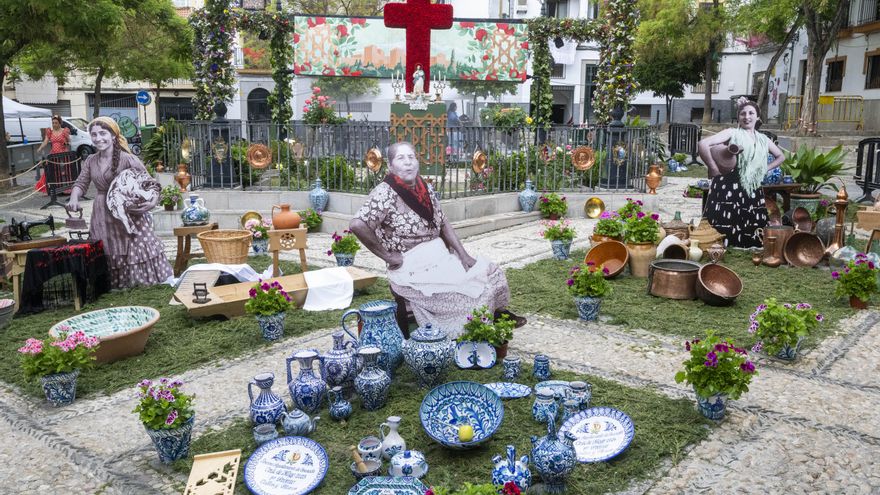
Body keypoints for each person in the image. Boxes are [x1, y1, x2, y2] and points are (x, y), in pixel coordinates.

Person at [349, 141, 522, 336]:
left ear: (417, 162)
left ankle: (493, 314)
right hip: (412, 268)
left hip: (439, 258)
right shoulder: (385, 192)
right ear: (390, 166)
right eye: (400, 158)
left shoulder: (424, 187)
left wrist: (463, 255)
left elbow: (443, 223)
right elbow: (357, 225)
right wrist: (388, 257)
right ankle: (470, 328)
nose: (408, 163)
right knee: (465, 293)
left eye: (411, 157)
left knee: (491, 272)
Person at [67, 117, 172, 289]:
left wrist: (151, 202)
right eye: (94, 135)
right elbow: (81, 183)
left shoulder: (128, 159)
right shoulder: (91, 161)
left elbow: (148, 183)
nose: (98, 138)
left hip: (128, 211)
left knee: (135, 243)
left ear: (114, 135)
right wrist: (74, 197)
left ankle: (140, 281)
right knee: (108, 245)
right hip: (102, 211)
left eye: (103, 133)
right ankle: (113, 284)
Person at [697, 97, 785, 248]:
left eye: (751, 113)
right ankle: (718, 243)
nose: (747, 117)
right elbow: (703, 144)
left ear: (758, 117)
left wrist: (764, 169)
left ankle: (747, 243)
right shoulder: (731, 132)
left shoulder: (763, 139)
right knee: (725, 216)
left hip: (751, 184)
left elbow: (781, 156)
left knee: (750, 216)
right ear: (738, 117)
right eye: (743, 113)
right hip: (728, 184)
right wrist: (713, 168)